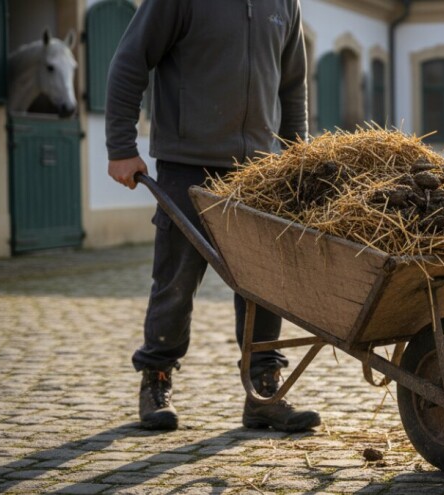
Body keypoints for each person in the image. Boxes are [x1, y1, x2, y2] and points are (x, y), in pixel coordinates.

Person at [105, 0, 320, 433]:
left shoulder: (284, 3)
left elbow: (292, 85)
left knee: (263, 285)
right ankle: (156, 380)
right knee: (177, 281)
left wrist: (298, 160)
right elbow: (129, 61)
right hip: (188, 165)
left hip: (259, 171)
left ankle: (264, 392)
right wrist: (121, 148)